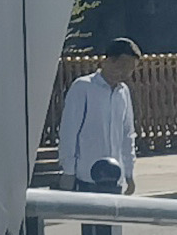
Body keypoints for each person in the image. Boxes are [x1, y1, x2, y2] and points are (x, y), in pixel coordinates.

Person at [58, 40, 139, 193]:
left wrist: (129, 174)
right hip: (86, 176)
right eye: (122, 66)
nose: (125, 73)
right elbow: (69, 132)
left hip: (115, 177)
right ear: (107, 61)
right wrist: (68, 171)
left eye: (131, 69)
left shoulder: (123, 92)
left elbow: (127, 135)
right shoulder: (83, 87)